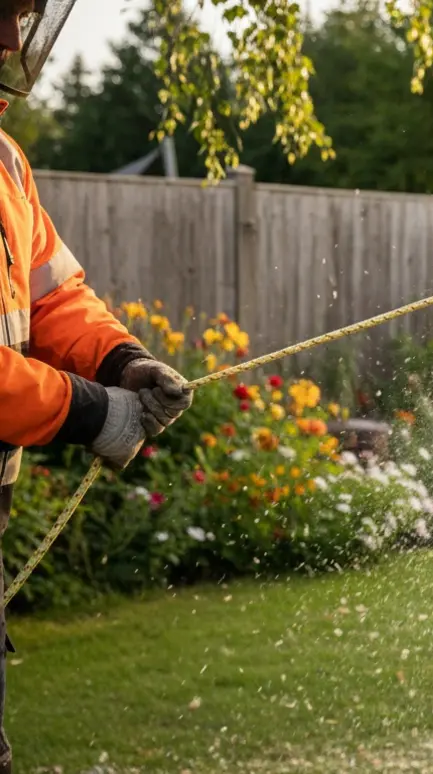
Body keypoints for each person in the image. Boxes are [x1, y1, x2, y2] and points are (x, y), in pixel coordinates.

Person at [0, 3, 193, 770]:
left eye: (20, 16)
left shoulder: (6, 162)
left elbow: (52, 296)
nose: (13, 42)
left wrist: (121, 361)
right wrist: (91, 411)